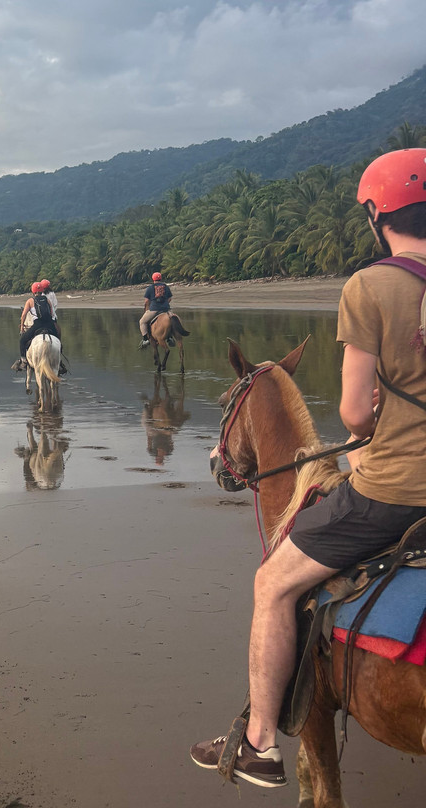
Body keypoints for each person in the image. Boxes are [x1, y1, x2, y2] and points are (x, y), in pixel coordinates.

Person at [190, 148, 426, 788]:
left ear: (378, 215)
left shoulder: (371, 286)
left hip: (400, 491)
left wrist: (364, 436)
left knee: (273, 583)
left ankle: (261, 744)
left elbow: (353, 413)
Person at [15, 281, 58, 371]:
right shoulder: (47, 300)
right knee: (58, 341)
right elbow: (52, 313)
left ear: (33, 291)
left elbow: (23, 315)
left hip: (38, 325)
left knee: (22, 341)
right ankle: (59, 361)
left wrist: (22, 326)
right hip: (49, 324)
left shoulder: (30, 301)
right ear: (42, 290)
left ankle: (23, 361)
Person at [139, 272, 173, 348]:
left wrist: (150, 306)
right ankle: (170, 337)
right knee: (172, 319)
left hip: (154, 309)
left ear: (153, 279)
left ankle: (145, 340)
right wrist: (164, 304)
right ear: (161, 278)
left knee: (142, 322)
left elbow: (147, 301)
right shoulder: (166, 287)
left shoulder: (150, 288)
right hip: (166, 309)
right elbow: (170, 298)